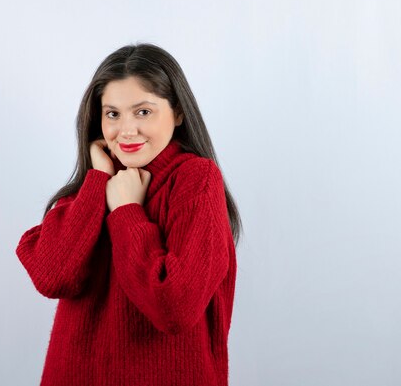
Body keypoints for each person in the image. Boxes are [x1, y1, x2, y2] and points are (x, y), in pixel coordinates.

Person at [15, 42, 242, 386]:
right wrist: (97, 180)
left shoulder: (194, 180)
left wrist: (126, 212)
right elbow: (53, 275)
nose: (127, 130)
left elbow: (175, 307)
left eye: (143, 112)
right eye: (113, 114)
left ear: (178, 112)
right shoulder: (92, 188)